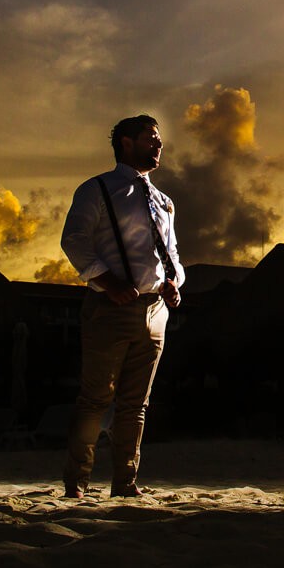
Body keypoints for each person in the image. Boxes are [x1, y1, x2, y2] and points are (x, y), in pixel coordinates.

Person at [60, 114, 185, 499]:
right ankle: (76, 485)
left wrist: (175, 281)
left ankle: (124, 484)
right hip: (108, 308)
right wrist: (108, 282)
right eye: (150, 138)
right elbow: (74, 240)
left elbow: (174, 254)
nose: (159, 145)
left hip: (156, 313)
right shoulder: (97, 188)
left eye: (159, 139)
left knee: (136, 404)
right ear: (127, 143)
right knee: (96, 399)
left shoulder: (164, 200)